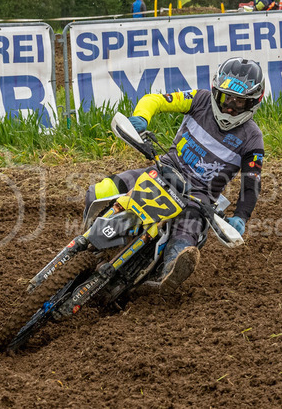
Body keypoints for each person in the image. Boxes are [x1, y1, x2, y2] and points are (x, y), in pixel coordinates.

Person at [85, 58, 266, 294]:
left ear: (252, 103)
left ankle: (169, 272)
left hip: (199, 196)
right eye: (225, 98)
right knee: (99, 191)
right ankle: (86, 245)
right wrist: (142, 117)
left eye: (239, 102)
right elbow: (155, 100)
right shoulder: (200, 99)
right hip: (164, 170)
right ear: (215, 92)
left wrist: (241, 217)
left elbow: (251, 183)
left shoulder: (253, 138)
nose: (230, 107)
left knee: (184, 237)